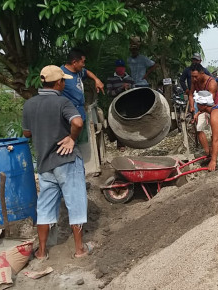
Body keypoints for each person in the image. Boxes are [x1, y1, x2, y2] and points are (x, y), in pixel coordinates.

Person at [22, 66, 93, 260]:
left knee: (44, 207)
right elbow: (77, 123)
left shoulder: (29, 105)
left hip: (45, 164)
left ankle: (42, 252)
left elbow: (26, 133)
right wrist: (71, 138)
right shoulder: (62, 102)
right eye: (63, 81)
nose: (64, 83)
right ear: (58, 83)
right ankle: (79, 249)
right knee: (76, 203)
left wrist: (41, 127)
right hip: (66, 161)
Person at [61, 48, 105, 143]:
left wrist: (96, 80)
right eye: (82, 62)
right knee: (71, 142)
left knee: (83, 143)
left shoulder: (79, 71)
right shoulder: (61, 74)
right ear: (74, 62)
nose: (84, 65)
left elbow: (87, 72)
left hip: (81, 112)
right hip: (69, 116)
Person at [189, 63, 218, 156]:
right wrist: (192, 107)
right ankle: (207, 153)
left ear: (202, 73)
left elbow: (208, 104)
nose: (194, 79)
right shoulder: (194, 81)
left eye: (196, 76)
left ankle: (213, 154)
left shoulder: (212, 83)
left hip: (214, 106)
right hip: (202, 106)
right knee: (199, 128)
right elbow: (191, 94)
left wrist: (197, 113)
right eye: (192, 77)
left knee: (214, 132)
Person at [106, 59, 134, 151]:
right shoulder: (111, 79)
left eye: (122, 67)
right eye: (119, 67)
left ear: (124, 68)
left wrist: (129, 89)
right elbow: (110, 93)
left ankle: (130, 142)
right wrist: (121, 88)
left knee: (129, 124)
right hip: (116, 105)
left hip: (128, 104)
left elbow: (135, 91)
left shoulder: (130, 79)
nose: (120, 69)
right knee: (118, 124)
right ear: (116, 68)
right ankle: (120, 144)